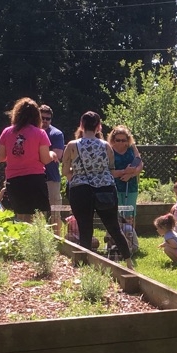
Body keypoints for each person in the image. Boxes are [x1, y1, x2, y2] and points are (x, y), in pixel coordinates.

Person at [62, 111, 133, 265]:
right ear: (99, 127)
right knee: (114, 227)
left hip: (80, 190)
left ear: (81, 125)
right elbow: (111, 169)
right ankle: (129, 262)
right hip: (105, 189)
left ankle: (83, 264)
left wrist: (77, 178)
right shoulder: (106, 146)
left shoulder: (72, 145)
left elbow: (65, 171)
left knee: (85, 228)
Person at [0, 97, 53, 221]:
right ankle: (36, 240)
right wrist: (52, 155)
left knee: (20, 215)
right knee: (39, 216)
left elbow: (0, 157)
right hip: (35, 178)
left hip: (14, 179)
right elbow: (45, 159)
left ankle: (21, 240)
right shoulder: (40, 133)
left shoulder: (7, 132)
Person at [108, 125, 143, 224]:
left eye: (123, 140)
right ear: (113, 139)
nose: (120, 143)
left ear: (128, 140)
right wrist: (124, 171)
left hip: (131, 185)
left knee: (130, 214)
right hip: (114, 186)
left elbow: (139, 164)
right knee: (117, 213)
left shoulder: (132, 147)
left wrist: (130, 175)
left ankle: (130, 236)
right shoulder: (109, 150)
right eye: (118, 140)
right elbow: (108, 172)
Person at [40, 105, 66, 232]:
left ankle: (57, 242)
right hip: (36, 177)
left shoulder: (56, 134)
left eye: (48, 118)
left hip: (52, 177)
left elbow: (57, 155)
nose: (45, 121)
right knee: (39, 213)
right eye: (42, 118)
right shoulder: (31, 133)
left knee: (55, 212)